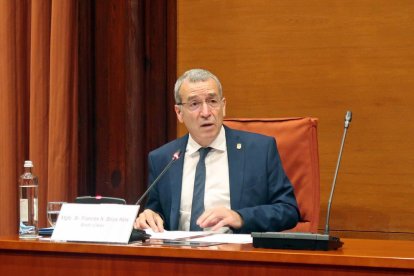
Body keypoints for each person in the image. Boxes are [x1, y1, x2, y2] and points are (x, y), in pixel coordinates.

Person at [134, 69, 299, 233]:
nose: (206, 113)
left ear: (223, 106)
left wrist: (241, 217)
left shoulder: (260, 151)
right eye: (194, 104)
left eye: (212, 101)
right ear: (179, 113)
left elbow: (288, 210)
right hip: (180, 255)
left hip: (237, 254)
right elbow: (157, 214)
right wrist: (150, 217)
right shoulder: (163, 159)